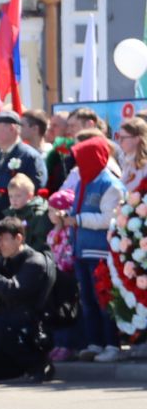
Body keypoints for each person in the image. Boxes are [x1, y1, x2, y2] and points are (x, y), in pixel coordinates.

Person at [0, 217, 57, 385]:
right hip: (10, 328)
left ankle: (39, 364)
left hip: (33, 329)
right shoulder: (4, 260)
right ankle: (24, 365)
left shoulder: (35, 262)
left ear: (19, 238)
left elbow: (12, 291)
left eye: (3, 239)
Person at [58, 133, 121, 362]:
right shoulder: (85, 181)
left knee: (103, 298)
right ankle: (95, 342)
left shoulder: (109, 184)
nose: (77, 163)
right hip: (81, 249)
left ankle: (112, 344)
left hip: (100, 251)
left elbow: (108, 219)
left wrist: (79, 220)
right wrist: (69, 216)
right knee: (87, 299)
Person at [0, 112, 47, 224]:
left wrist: (9, 223)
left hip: (16, 230)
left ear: (12, 128)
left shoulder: (29, 157)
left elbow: (35, 195)